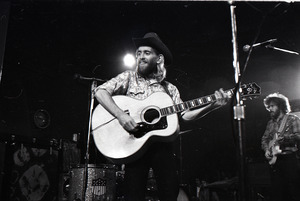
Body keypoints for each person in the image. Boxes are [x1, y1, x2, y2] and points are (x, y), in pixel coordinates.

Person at [94, 32, 229, 201]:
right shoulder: (128, 77)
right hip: (134, 146)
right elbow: (100, 91)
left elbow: (185, 115)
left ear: (158, 58)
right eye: (139, 53)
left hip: (162, 148)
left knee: (170, 193)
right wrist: (121, 115)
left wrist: (212, 105)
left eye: (146, 53)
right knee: (132, 196)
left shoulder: (169, 89)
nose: (140, 57)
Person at [261, 93, 300, 201]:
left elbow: (298, 136)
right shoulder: (270, 123)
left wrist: (285, 139)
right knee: (277, 193)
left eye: (272, 106)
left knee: (293, 192)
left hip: (290, 160)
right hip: (275, 162)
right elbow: (264, 139)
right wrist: (266, 150)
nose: (269, 109)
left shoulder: (292, 119)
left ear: (281, 106)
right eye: (268, 107)